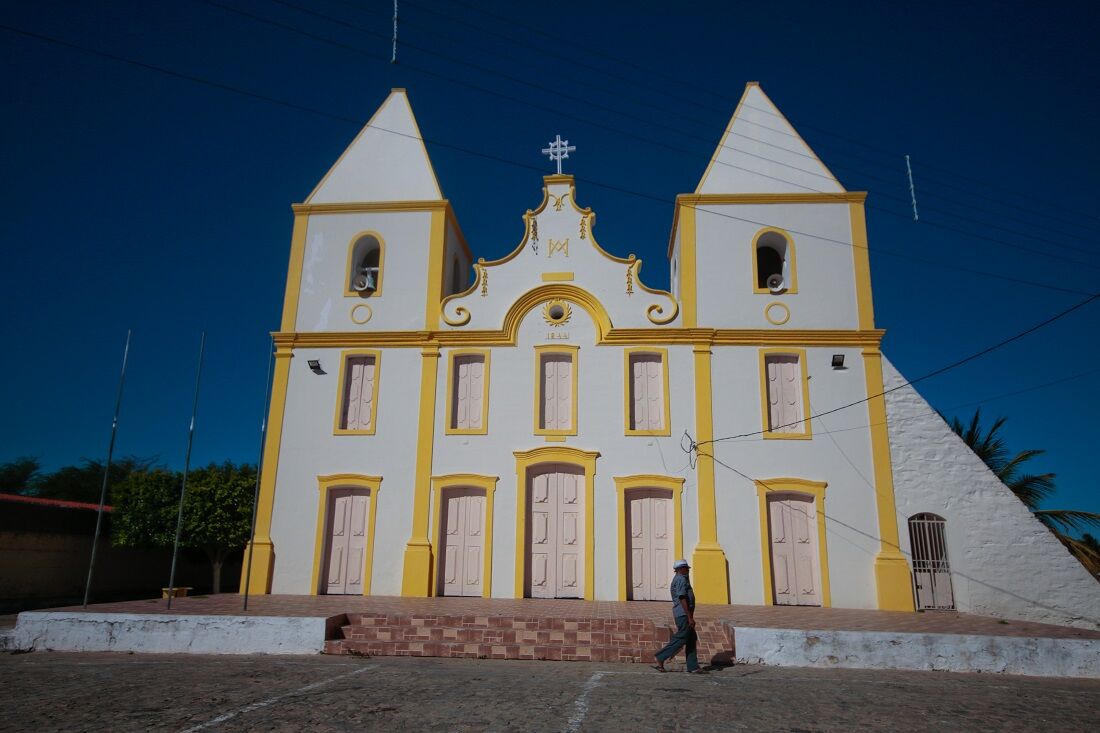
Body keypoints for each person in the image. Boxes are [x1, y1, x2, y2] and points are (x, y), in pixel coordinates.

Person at [653, 559, 705, 673]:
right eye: (686, 568)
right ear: (680, 569)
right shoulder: (681, 579)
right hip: (683, 614)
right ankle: (660, 656)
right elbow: (682, 598)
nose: (688, 570)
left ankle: (693, 667)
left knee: (691, 639)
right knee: (681, 637)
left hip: (684, 614)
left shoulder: (681, 578)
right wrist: (689, 617)